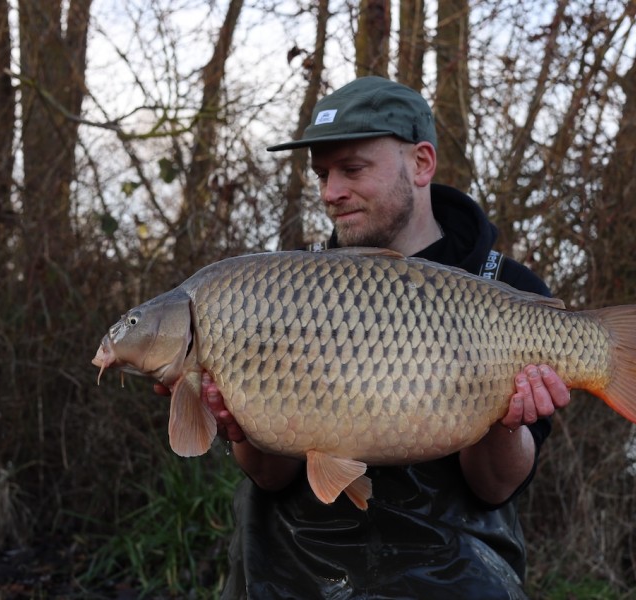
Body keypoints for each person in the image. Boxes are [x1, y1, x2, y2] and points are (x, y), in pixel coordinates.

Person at [196, 77, 570, 599]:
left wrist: (503, 421)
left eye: (352, 169)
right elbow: (269, 476)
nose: (330, 193)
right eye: (322, 174)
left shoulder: (509, 293)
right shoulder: (281, 292)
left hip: (455, 581)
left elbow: (495, 487)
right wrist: (246, 428)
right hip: (291, 577)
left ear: (420, 163)